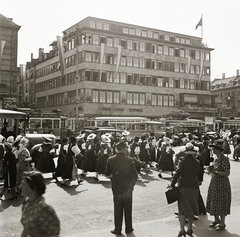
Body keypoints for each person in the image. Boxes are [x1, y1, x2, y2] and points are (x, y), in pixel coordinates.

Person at [105, 141, 138, 235]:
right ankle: (129, 228)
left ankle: (117, 229)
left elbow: (107, 173)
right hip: (127, 189)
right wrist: (131, 185)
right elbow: (135, 176)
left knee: (117, 209)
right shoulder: (129, 160)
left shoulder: (111, 159)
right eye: (126, 148)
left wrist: (113, 176)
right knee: (128, 209)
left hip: (116, 188)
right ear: (123, 149)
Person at [170, 142, 200, 237]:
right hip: (194, 186)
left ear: (185, 151)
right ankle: (190, 229)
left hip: (183, 185)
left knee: (182, 209)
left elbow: (178, 172)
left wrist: (172, 183)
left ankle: (182, 229)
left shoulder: (182, 160)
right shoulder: (197, 162)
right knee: (191, 207)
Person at [20, 171, 60, 237]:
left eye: (24, 185)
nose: (20, 186)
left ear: (34, 187)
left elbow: (54, 235)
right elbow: (25, 229)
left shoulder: (44, 208)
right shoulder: (26, 204)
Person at [206, 140, 231, 231]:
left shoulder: (224, 160)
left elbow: (227, 173)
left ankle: (222, 223)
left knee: (221, 202)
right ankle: (217, 219)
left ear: (217, 149)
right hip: (215, 182)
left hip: (222, 184)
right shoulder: (216, 159)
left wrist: (215, 172)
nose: (212, 149)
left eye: (213, 148)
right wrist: (210, 170)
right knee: (214, 200)